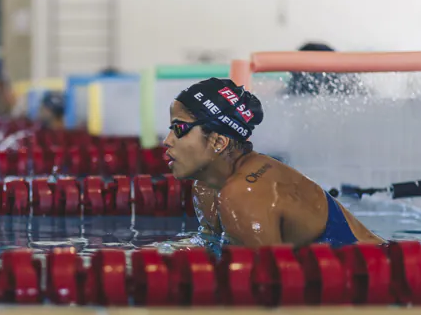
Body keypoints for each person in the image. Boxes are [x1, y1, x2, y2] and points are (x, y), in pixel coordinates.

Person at [163, 77, 384, 248]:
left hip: (380, 274)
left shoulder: (243, 194)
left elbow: (260, 290)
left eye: (179, 128)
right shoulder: (205, 187)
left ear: (218, 142)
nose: (166, 140)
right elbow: (211, 247)